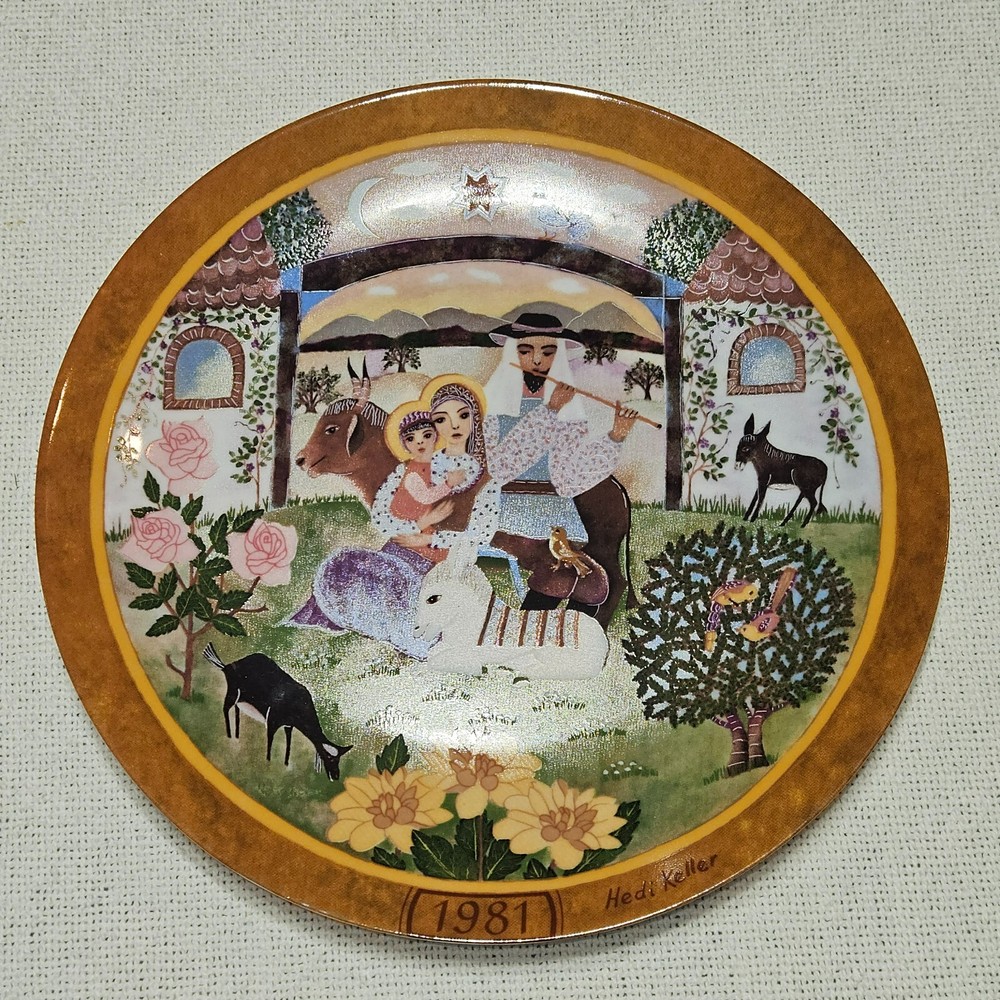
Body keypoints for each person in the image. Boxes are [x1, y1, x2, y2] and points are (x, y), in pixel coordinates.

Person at [287, 377, 498, 658]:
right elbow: (382, 515)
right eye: (441, 419)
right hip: (397, 552)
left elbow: (481, 535)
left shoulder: (487, 481)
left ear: (476, 419)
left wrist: (430, 539)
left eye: (463, 415)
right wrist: (417, 526)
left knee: (414, 599)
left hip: (445, 568)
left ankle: (417, 641)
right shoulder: (412, 467)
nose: (454, 426)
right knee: (342, 566)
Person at [482, 312, 638, 615]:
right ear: (512, 353)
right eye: (525, 351)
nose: (537, 360)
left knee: (588, 579)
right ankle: (529, 627)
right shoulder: (494, 405)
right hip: (504, 509)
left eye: (548, 352)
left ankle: (572, 633)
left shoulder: (567, 409)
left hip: (555, 511)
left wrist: (615, 436)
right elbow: (499, 467)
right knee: (558, 572)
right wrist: (549, 411)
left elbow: (569, 477)